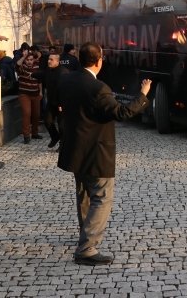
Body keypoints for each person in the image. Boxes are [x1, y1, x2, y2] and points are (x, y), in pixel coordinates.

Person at [57, 42, 151, 266]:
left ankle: (85, 235)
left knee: (84, 195)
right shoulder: (98, 88)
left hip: (74, 149)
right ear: (99, 61)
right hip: (95, 152)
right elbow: (122, 112)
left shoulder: (66, 80)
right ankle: (87, 248)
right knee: (101, 197)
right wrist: (143, 94)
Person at [16, 45, 43, 143]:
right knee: (27, 113)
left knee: (36, 114)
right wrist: (24, 56)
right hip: (24, 93)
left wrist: (40, 92)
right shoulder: (22, 67)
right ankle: (26, 136)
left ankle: (35, 133)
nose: (29, 62)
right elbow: (17, 64)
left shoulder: (37, 66)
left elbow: (39, 80)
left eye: (31, 60)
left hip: (36, 93)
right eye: (27, 60)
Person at [43, 48, 67, 150]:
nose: (49, 61)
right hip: (51, 101)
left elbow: (64, 90)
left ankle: (63, 145)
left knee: (62, 126)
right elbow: (43, 75)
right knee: (47, 120)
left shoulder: (63, 72)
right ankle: (55, 137)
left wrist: (61, 104)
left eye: (51, 60)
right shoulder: (49, 70)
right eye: (49, 59)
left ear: (58, 61)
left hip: (61, 103)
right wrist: (32, 74)